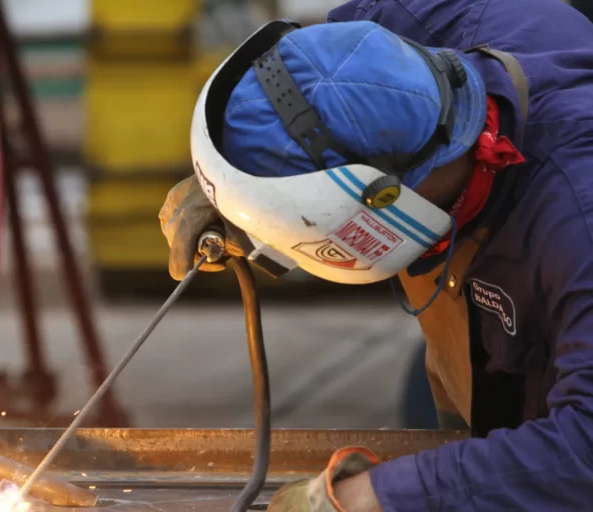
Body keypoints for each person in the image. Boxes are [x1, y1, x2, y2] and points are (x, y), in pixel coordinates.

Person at [158, 0, 593, 509]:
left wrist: (374, 496)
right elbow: (321, 71)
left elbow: (583, 451)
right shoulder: (423, 19)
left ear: (377, 200)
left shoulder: (576, 221)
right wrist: (237, 174)